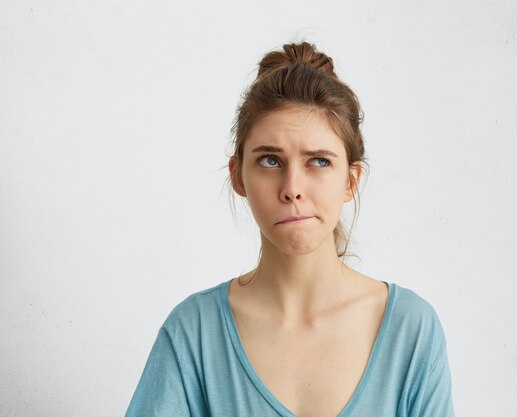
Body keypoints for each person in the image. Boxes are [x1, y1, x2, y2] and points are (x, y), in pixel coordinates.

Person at [125, 41, 454, 417]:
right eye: (269, 160)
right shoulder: (192, 334)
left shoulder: (411, 331)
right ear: (239, 177)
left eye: (318, 161)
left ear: (351, 180)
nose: (292, 187)